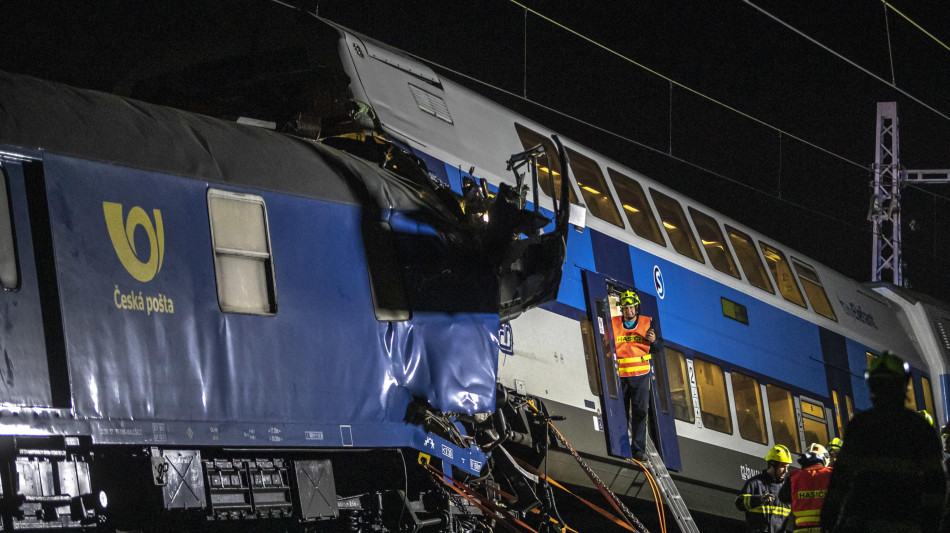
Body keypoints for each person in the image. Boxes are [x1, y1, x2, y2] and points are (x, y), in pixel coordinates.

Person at [820, 351, 945, 533]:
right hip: (906, 524)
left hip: (860, 524)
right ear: (903, 385)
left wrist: (827, 522)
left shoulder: (860, 426)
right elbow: (936, 484)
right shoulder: (921, 429)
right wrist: (929, 525)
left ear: (872, 385)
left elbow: (840, 480)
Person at [611, 289, 661, 461]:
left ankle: (638, 450)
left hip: (641, 375)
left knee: (640, 412)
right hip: (620, 376)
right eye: (625, 308)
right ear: (621, 309)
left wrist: (654, 341)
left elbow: (659, 349)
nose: (629, 311)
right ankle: (622, 446)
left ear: (636, 308)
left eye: (631, 307)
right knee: (621, 412)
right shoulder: (613, 323)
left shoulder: (648, 323)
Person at [735, 444, 792, 533]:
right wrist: (759, 499)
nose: (786, 471)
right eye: (782, 467)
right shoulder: (755, 483)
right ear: (773, 465)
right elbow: (739, 503)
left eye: (787, 467)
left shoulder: (786, 489)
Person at [779, 443, 832, 533]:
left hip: (800, 529)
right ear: (824, 459)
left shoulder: (793, 477)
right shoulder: (831, 474)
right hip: (825, 528)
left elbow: (783, 497)